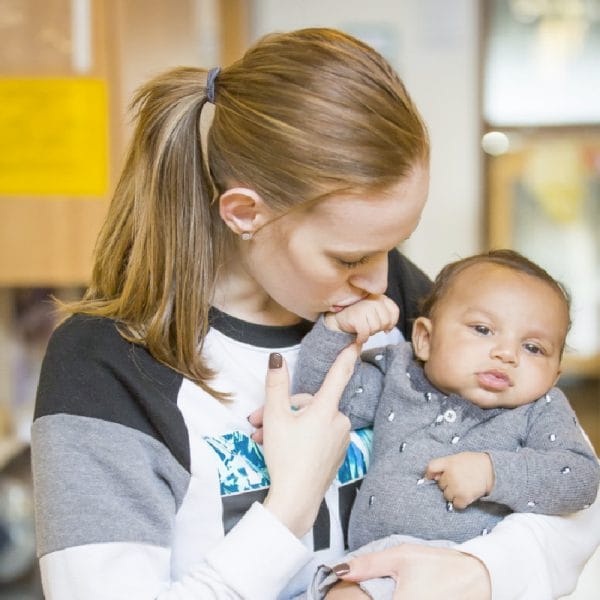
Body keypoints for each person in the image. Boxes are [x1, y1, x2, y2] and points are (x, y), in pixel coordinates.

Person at [29, 27, 600, 600]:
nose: (381, 281)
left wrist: (479, 574)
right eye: (349, 256)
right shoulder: (106, 364)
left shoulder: (389, 299)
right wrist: (288, 508)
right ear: (245, 213)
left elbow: (574, 485)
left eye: (393, 245)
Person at [293, 249, 600, 599]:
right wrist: (336, 332)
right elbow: (323, 398)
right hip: (377, 563)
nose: (507, 353)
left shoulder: (539, 408)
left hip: (474, 569)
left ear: (554, 374)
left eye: (533, 348)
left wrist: (493, 472)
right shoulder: (399, 372)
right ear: (424, 338)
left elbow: (579, 478)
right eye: (483, 330)